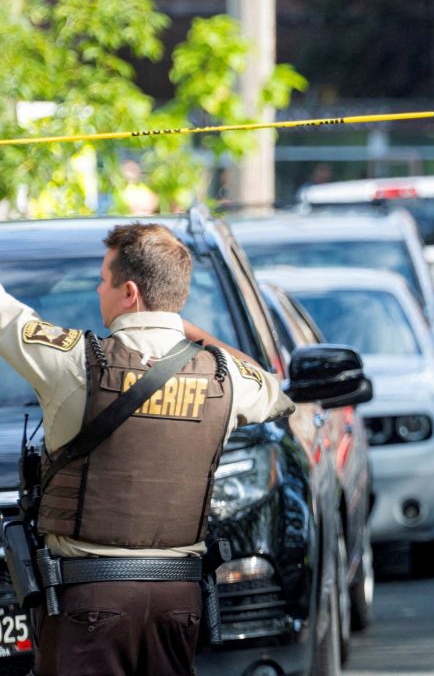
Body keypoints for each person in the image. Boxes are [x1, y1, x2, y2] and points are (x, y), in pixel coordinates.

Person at [0, 222, 294, 676]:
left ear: (129, 292)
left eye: (103, 279)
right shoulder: (223, 376)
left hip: (89, 601)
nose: (98, 290)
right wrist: (187, 330)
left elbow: (6, 316)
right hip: (178, 605)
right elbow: (275, 391)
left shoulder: (75, 362)